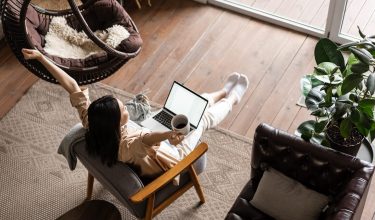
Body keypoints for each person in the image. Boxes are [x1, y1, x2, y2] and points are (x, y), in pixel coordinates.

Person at [21, 48, 249, 181]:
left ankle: (221, 91)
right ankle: (231, 99)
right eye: (122, 110)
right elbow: (146, 139)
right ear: (114, 123)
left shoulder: (94, 122)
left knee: (188, 105)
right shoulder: (128, 145)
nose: (125, 108)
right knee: (201, 119)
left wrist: (42, 58)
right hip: (170, 156)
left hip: (150, 135)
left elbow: (72, 86)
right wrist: (169, 135)